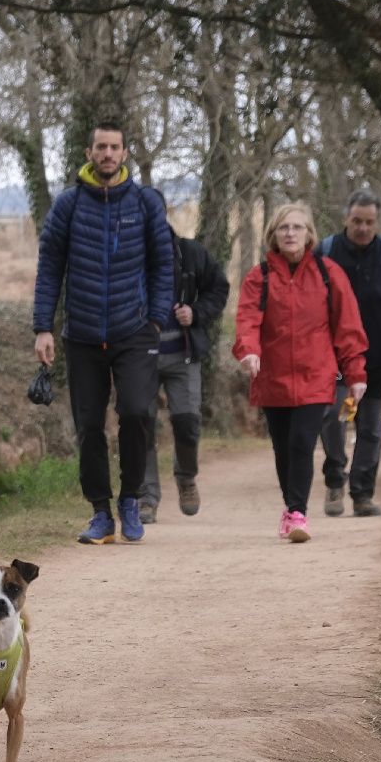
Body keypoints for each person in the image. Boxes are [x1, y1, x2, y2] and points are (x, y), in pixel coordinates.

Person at [33, 121, 174, 544]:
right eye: (101, 147)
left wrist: (156, 319)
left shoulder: (145, 203)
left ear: (125, 153)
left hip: (135, 331)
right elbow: (49, 269)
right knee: (89, 425)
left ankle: (130, 500)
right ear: (89, 153)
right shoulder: (68, 205)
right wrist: (43, 327)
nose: (108, 154)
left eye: (115, 147)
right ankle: (100, 513)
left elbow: (163, 264)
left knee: (136, 412)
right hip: (82, 334)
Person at [234, 204, 368, 544]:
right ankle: (290, 508)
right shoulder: (259, 277)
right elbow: (247, 320)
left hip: (316, 375)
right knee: (283, 448)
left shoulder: (328, 274)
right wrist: (249, 350)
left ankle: (297, 513)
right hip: (272, 376)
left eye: (297, 227)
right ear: (274, 235)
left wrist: (355, 373)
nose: (290, 233)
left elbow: (348, 327)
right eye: (283, 228)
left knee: (301, 443)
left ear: (309, 235)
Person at [316, 188, 381, 517]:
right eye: (357, 221)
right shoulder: (326, 252)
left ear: (377, 222)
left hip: (375, 356)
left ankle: (362, 493)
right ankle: (336, 479)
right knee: (336, 418)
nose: (363, 228)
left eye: (369, 222)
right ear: (346, 218)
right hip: (334, 355)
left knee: (371, 426)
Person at [139, 191, 230, 523]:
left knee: (187, 423)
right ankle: (147, 496)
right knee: (140, 425)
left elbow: (219, 288)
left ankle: (186, 477)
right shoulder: (126, 256)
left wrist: (196, 312)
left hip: (183, 354)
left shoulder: (190, 252)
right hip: (139, 357)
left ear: (165, 212)